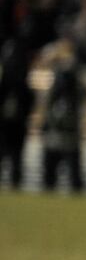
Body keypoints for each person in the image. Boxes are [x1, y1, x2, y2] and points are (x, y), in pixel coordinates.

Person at [0, 38, 34, 188]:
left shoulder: (19, 83)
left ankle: (15, 182)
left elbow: (28, 101)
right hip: (9, 123)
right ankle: (15, 182)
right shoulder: (11, 82)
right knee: (13, 155)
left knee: (16, 156)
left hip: (16, 123)